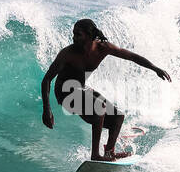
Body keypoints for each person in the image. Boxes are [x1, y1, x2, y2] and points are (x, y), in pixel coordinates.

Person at [41, 18, 172, 160]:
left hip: (81, 89)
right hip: (64, 93)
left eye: (78, 34)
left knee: (118, 117)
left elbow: (131, 57)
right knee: (100, 108)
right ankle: (95, 155)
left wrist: (154, 68)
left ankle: (109, 152)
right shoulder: (68, 53)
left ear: (90, 36)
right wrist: (47, 109)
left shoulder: (103, 48)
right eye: (73, 34)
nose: (74, 38)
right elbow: (47, 79)